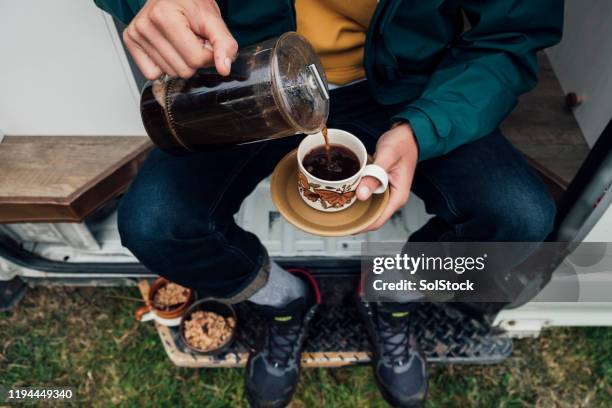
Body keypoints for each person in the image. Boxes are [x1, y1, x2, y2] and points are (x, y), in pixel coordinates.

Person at [94, 0, 563, 406]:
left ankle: (391, 294)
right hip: (248, 76)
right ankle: (286, 301)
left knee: (520, 218)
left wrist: (425, 127)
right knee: (154, 222)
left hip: (405, 84)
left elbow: (511, 32)